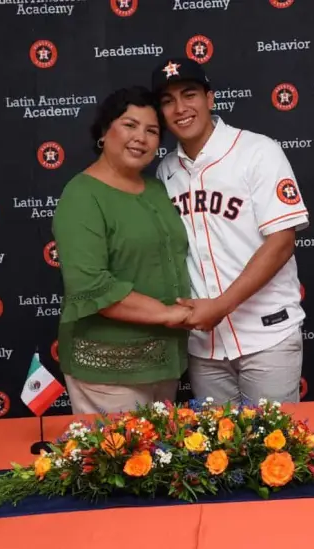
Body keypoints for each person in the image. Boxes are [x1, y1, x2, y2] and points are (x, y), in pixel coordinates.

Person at [149, 58, 310, 406]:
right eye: (167, 101)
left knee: (277, 454)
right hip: (204, 346)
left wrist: (221, 305)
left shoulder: (258, 151)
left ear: (210, 99)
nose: (180, 108)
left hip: (268, 337)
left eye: (189, 94)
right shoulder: (165, 171)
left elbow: (282, 243)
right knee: (219, 456)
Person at [51, 86, 193, 415]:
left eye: (152, 130)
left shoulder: (157, 189)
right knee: (121, 465)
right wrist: (170, 313)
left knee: (160, 463)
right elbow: (90, 285)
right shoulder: (81, 195)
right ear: (104, 132)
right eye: (130, 125)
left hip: (164, 362)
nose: (140, 138)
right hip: (109, 371)